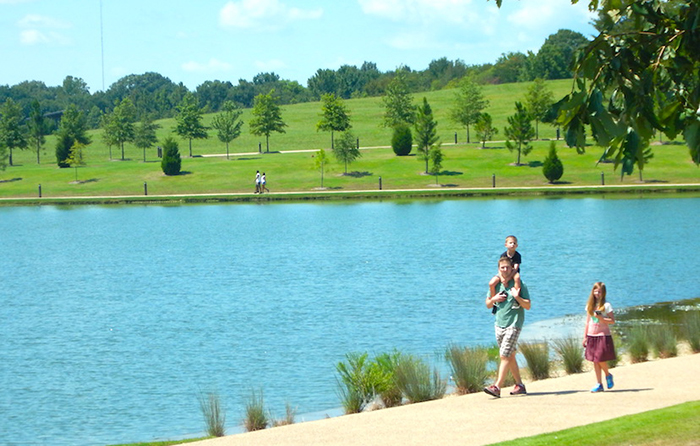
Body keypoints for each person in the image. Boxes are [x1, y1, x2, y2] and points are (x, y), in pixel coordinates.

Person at [484, 256, 531, 398]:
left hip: (514, 324)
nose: (504, 270)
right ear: (498, 270)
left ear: (512, 269)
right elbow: (487, 304)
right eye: (502, 268)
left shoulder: (519, 284)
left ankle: (497, 386)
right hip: (499, 324)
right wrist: (494, 299)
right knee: (510, 355)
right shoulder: (496, 284)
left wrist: (517, 297)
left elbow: (528, 305)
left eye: (507, 268)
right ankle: (520, 385)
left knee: (504, 355)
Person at [583, 282, 616, 392]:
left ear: (603, 293)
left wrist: (602, 318)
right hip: (592, 335)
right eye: (596, 291)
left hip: (602, 334)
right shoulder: (590, 306)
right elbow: (587, 322)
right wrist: (585, 337)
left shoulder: (606, 305)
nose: (597, 293)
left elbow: (612, 321)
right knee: (595, 360)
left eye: (600, 291)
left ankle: (607, 374)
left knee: (599, 357)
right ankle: (599, 383)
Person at [489, 235, 521, 313]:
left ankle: (516, 301)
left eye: (514, 243)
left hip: (513, 272)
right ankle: (494, 302)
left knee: (517, 278)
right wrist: (502, 278)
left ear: (517, 245)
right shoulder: (503, 255)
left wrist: (508, 278)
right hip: (503, 273)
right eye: (510, 243)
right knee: (491, 283)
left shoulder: (517, 255)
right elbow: (500, 267)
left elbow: (516, 268)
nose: (512, 245)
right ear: (506, 245)